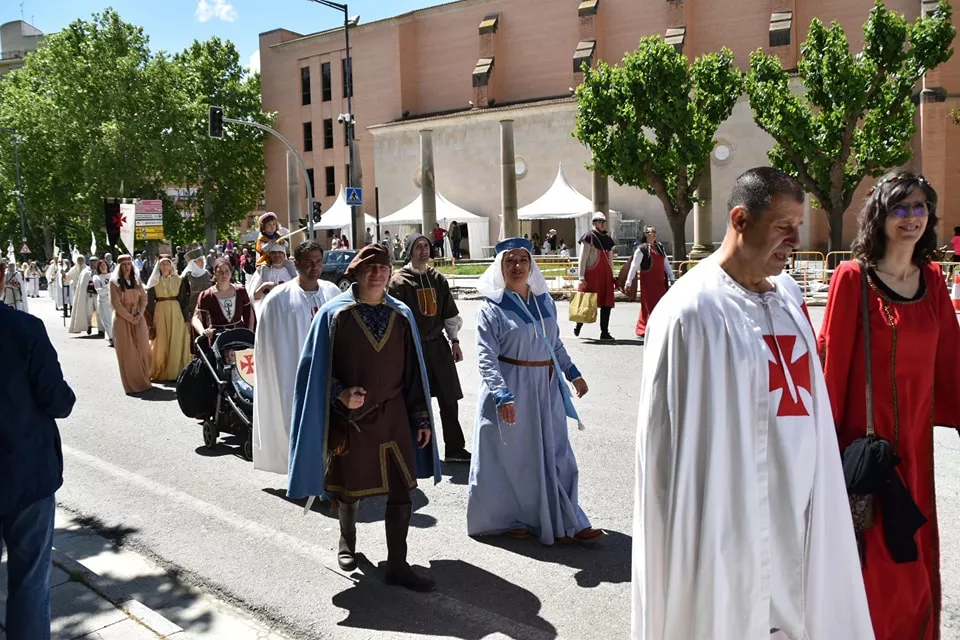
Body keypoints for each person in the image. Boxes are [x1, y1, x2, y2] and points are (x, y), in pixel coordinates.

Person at [632, 167, 872, 639]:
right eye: (784, 226)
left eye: (798, 227)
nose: (795, 240)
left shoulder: (787, 296)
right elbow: (666, 451)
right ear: (741, 220)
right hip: (727, 515)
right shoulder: (690, 311)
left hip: (801, 505)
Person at [818, 172, 960, 640]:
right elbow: (832, 364)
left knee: (914, 562)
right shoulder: (852, 278)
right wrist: (819, 454)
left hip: (915, 457)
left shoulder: (934, 280)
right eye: (901, 207)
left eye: (920, 207)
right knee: (873, 567)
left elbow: (951, 365)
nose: (912, 217)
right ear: (880, 215)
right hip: (865, 456)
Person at [288, 243, 441, 592]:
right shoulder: (334, 314)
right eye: (369, 268)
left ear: (390, 273)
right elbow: (313, 373)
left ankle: (398, 564)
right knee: (350, 487)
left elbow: (414, 372)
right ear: (355, 273)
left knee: (403, 488)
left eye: (383, 268)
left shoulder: (400, 314)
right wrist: (339, 393)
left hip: (394, 415)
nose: (377, 274)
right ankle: (347, 542)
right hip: (353, 420)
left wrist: (420, 417)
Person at [467, 237, 599, 545]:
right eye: (510, 261)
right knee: (517, 459)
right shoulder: (491, 308)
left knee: (557, 453)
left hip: (545, 387)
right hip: (510, 390)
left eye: (523, 260)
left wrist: (573, 373)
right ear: (500, 266)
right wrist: (501, 395)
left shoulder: (545, 302)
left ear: (531, 265)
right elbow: (486, 357)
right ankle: (516, 517)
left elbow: (554, 343)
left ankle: (571, 518)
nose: (517, 266)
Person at [0, 261, 76, 640]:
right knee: (30, 582)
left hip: (25, 472)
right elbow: (58, 401)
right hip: (26, 472)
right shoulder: (24, 329)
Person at [253, 241, 341, 475]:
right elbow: (267, 348)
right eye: (309, 262)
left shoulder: (333, 292)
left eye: (319, 261)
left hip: (330, 373)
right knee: (299, 424)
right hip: (292, 375)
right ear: (297, 263)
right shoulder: (278, 299)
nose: (315, 267)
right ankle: (303, 474)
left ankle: (330, 475)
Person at [388, 234, 471, 463]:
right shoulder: (398, 282)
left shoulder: (438, 279)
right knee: (415, 400)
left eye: (426, 246)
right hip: (412, 348)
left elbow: (449, 313)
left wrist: (454, 341)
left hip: (438, 346)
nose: (424, 251)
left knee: (449, 398)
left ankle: (454, 448)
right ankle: (416, 452)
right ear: (409, 251)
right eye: (418, 247)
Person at [110, 255, 153, 395]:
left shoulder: (137, 281)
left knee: (143, 348)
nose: (127, 267)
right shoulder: (114, 283)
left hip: (138, 317)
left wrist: (139, 315)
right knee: (128, 353)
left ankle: (145, 379)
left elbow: (144, 299)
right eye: (124, 265)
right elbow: (116, 304)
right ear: (119, 267)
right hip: (123, 320)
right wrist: (130, 318)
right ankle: (133, 384)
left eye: (129, 264)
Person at [145, 257, 191, 382]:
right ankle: (161, 368)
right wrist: (150, 320)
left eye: (167, 264)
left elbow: (183, 299)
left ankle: (176, 371)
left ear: (171, 266)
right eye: (163, 264)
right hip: (160, 312)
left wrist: (186, 317)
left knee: (176, 340)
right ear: (159, 267)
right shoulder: (154, 281)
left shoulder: (178, 280)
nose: (165, 266)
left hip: (176, 312)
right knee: (161, 341)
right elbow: (149, 302)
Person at [624, 226, 675, 339]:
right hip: (648, 283)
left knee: (660, 305)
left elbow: (665, 263)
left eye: (654, 232)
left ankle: (660, 327)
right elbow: (634, 266)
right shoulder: (641, 249)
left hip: (660, 283)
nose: (653, 234)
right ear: (645, 234)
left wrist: (672, 277)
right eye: (650, 232)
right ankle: (646, 327)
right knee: (649, 306)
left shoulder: (660, 247)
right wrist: (628, 282)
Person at [192, 257, 255, 347]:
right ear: (214, 273)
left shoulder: (240, 291)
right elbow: (196, 318)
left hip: (239, 336)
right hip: (217, 338)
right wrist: (203, 331)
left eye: (226, 271)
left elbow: (249, 312)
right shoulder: (207, 295)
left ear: (231, 272)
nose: (224, 275)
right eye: (220, 272)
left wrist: (250, 332)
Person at [574, 212, 616, 340]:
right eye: (600, 221)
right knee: (587, 301)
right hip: (592, 274)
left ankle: (604, 332)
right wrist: (581, 277)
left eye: (604, 222)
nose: (603, 224)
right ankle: (579, 323)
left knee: (606, 303)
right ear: (594, 223)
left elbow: (610, 259)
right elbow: (583, 258)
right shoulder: (589, 237)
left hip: (606, 275)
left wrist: (612, 274)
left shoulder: (608, 239)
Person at [245, 242, 298, 316]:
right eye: (273, 252)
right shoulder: (262, 271)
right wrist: (264, 286)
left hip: (289, 312)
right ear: (269, 255)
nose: (277, 255)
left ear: (284, 254)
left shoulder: (291, 272)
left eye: (280, 252)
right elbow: (255, 297)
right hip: (270, 313)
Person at [67, 256, 95, 335]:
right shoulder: (77, 270)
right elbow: (68, 277)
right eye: (78, 260)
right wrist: (64, 275)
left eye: (81, 260)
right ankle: (88, 326)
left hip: (97, 294)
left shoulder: (91, 269)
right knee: (88, 311)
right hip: (83, 293)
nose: (80, 261)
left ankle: (101, 329)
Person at [91, 259, 114, 347]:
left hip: (113, 300)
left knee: (113, 319)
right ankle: (111, 338)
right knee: (107, 320)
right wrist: (109, 289)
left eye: (104, 265)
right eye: (101, 266)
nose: (103, 267)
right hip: (103, 301)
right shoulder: (97, 277)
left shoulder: (112, 276)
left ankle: (116, 337)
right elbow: (99, 290)